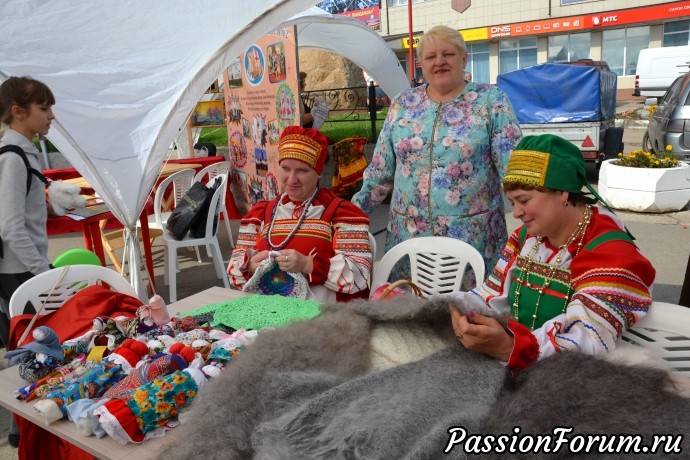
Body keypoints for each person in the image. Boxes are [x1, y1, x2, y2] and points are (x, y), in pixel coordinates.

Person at [449, 134, 656, 372]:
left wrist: (510, 348)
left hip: (580, 381)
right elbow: (491, 296)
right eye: (512, 202)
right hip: (522, 372)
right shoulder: (526, 238)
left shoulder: (612, 254)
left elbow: (587, 340)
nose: (516, 213)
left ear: (563, 193)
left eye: (524, 200)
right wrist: (456, 309)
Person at [351, 25, 522, 281]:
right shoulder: (402, 104)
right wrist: (346, 217)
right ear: (421, 63)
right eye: (431, 57)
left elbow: (513, 169)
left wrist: (534, 215)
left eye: (449, 54)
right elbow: (379, 174)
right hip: (408, 238)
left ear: (463, 58)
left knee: (469, 315)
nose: (439, 62)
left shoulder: (490, 100)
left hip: (474, 239)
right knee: (410, 313)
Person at [227, 125, 372, 302]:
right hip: (267, 314)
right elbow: (234, 269)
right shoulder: (260, 214)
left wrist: (308, 265)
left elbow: (360, 276)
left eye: (302, 171)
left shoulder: (341, 214)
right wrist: (249, 266)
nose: (292, 179)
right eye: (286, 168)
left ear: (318, 173)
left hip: (325, 318)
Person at [0, 76, 56, 448]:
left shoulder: (24, 152)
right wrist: (42, 272)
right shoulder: (13, 156)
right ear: (19, 112)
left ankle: (27, 428)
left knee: (33, 349)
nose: (51, 116)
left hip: (24, 268)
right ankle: (24, 431)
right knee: (30, 351)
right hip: (20, 272)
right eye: (44, 108)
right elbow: (10, 226)